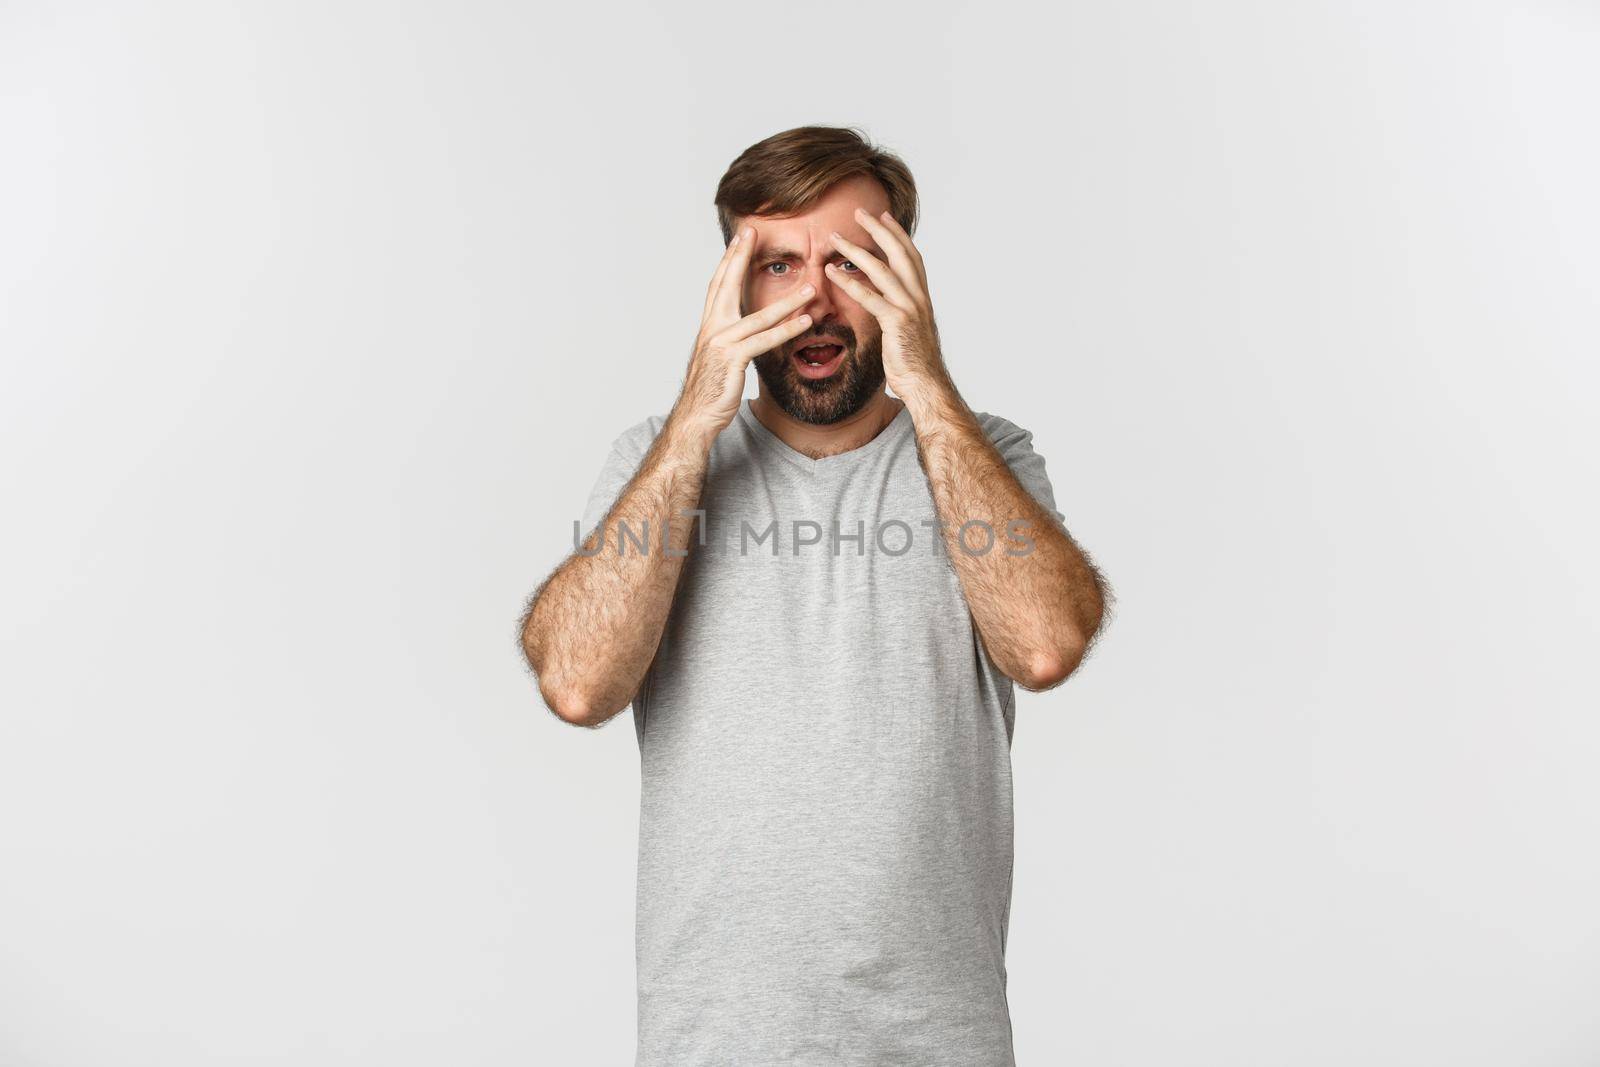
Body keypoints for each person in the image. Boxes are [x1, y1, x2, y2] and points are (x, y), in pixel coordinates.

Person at [520, 125, 1111, 1066]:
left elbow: (1045, 646)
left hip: (938, 1040)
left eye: (851, 262)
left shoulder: (987, 455)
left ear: (906, 277)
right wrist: (693, 420)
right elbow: (578, 685)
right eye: (778, 265)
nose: (814, 300)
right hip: (713, 1041)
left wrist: (927, 385)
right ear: (732, 286)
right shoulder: (656, 461)